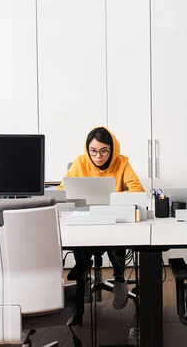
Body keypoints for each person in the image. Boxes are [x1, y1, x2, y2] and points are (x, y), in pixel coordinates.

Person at [58, 127, 144, 314]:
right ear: (88, 149)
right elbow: (63, 189)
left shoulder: (122, 163)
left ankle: (119, 279)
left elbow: (138, 189)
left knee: (117, 232)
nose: (98, 156)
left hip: (113, 218)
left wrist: (119, 199)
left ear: (112, 149)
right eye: (94, 151)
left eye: (104, 151)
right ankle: (83, 277)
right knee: (79, 234)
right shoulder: (80, 162)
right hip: (86, 219)